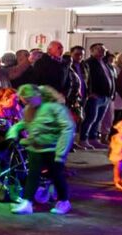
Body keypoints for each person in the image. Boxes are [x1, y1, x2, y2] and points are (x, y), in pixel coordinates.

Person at [8, 84, 75, 215]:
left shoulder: (55, 108)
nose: (26, 103)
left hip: (53, 149)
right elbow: (24, 123)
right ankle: (27, 202)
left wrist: (61, 153)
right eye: (24, 100)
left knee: (57, 176)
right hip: (35, 148)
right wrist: (13, 132)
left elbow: (67, 128)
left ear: (37, 96)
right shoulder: (28, 109)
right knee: (32, 175)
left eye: (28, 99)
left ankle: (64, 201)